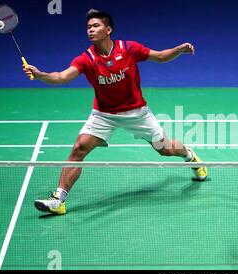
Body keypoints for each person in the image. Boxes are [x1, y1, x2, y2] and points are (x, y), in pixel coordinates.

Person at [24, 9, 208, 215]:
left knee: (165, 149)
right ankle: (59, 200)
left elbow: (160, 57)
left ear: (108, 29)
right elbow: (61, 77)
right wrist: (40, 75)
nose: (90, 30)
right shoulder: (87, 58)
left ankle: (190, 157)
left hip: (137, 112)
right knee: (78, 149)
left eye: (95, 26)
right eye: (88, 27)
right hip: (104, 114)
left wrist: (179, 49)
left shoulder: (128, 48)